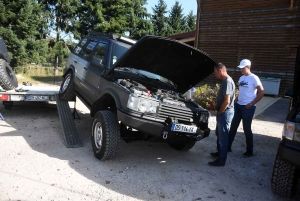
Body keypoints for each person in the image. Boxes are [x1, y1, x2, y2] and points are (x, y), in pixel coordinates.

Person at [228, 59, 265, 157]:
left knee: (246, 129)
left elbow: (261, 92)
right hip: (239, 105)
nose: (241, 70)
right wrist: (235, 100)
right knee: (233, 127)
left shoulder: (254, 78)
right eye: (240, 68)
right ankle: (227, 147)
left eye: (243, 68)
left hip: (248, 107)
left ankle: (249, 151)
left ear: (248, 67)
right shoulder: (241, 78)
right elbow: (240, 91)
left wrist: (252, 104)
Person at [208, 63, 235, 167]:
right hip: (225, 112)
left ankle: (221, 160)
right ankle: (219, 153)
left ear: (220, 71)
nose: (215, 75)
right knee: (219, 134)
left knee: (223, 137)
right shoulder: (226, 81)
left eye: (215, 72)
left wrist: (220, 111)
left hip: (225, 112)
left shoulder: (227, 81)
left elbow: (227, 101)